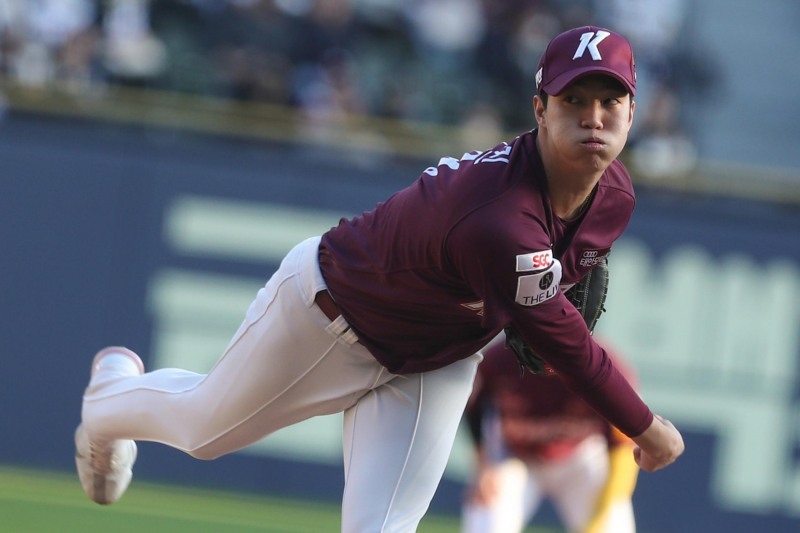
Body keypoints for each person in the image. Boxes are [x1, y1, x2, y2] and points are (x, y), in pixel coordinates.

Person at [74, 25, 684, 532]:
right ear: (539, 110)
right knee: (202, 430)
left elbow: (554, 291)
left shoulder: (616, 198)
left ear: (633, 111)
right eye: (574, 99)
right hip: (330, 317)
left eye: (610, 100)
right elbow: (560, 336)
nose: (593, 117)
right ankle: (109, 398)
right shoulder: (498, 215)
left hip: (436, 359)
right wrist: (645, 426)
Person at [462, 335, 640, 533]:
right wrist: (483, 466)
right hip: (518, 457)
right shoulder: (499, 358)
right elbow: (472, 408)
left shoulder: (602, 365)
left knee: (614, 525)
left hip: (580, 456)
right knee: (486, 516)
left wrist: (599, 521)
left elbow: (624, 448)